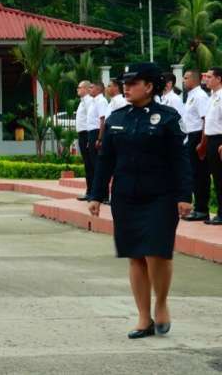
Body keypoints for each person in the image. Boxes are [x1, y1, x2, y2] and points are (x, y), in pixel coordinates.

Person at [89, 62, 192, 339]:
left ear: (149, 86)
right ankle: (143, 318)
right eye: (125, 82)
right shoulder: (116, 118)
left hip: (161, 195)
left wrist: (185, 196)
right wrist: (97, 194)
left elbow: (181, 160)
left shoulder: (169, 118)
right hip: (126, 196)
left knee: (157, 252)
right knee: (135, 255)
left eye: (133, 82)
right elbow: (105, 160)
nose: (127, 86)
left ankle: (161, 304)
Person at [181, 69, 211, 222]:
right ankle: (197, 207)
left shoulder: (200, 96)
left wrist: (202, 143)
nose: (183, 80)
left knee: (200, 174)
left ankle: (202, 209)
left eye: (186, 78)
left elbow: (205, 119)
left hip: (198, 136)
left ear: (194, 79)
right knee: (193, 174)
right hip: (190, 137)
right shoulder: (190, 96)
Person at [200, 67, 222, 225]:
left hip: (220, 140)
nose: (206, 79)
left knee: (221, 177)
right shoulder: (212, 96)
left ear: (219, 79)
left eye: (209, 76)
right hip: (212, 140)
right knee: (216, 177)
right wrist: (204, 143)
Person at [86, 82, 108, 200]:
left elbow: (102, 120)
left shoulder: (101, 101)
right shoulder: (93, 101)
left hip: (97, 133)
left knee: (98, 166)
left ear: (99, 88)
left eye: (91, 87)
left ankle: (103, 195)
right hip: (92, 133)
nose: (89, 89)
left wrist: (100, 138)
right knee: (93, 166)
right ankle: (95, 194)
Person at [75, 81, 92, 201]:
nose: (77, 89)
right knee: (87, 164)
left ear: (86, 89)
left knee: (90, 165)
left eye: (79, 87)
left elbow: (91, 120)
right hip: (82, 134)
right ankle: (89, 191)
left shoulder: (89, 101)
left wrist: (89, 138)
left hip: (87, 134)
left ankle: (91, 192)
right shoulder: (82, 102)